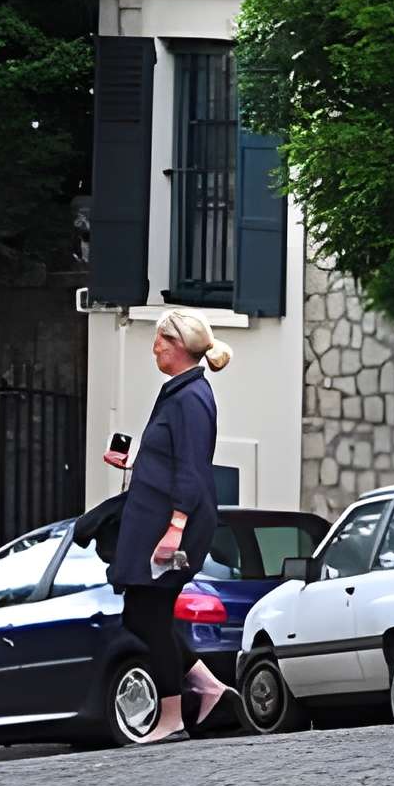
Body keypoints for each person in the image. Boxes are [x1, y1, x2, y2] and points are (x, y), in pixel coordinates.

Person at [109, 309, 232, 744]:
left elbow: (192, 469)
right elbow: (170, 460)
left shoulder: (191, 398)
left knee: (151, 616)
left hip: (173, 526)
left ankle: (173, 717)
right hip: (161, 520)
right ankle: (208, 687)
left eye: (161, 339)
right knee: (142, 615)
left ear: (179, 346)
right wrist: (133, 464)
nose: (154, 347)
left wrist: (176, 527)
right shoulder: (180, 393)